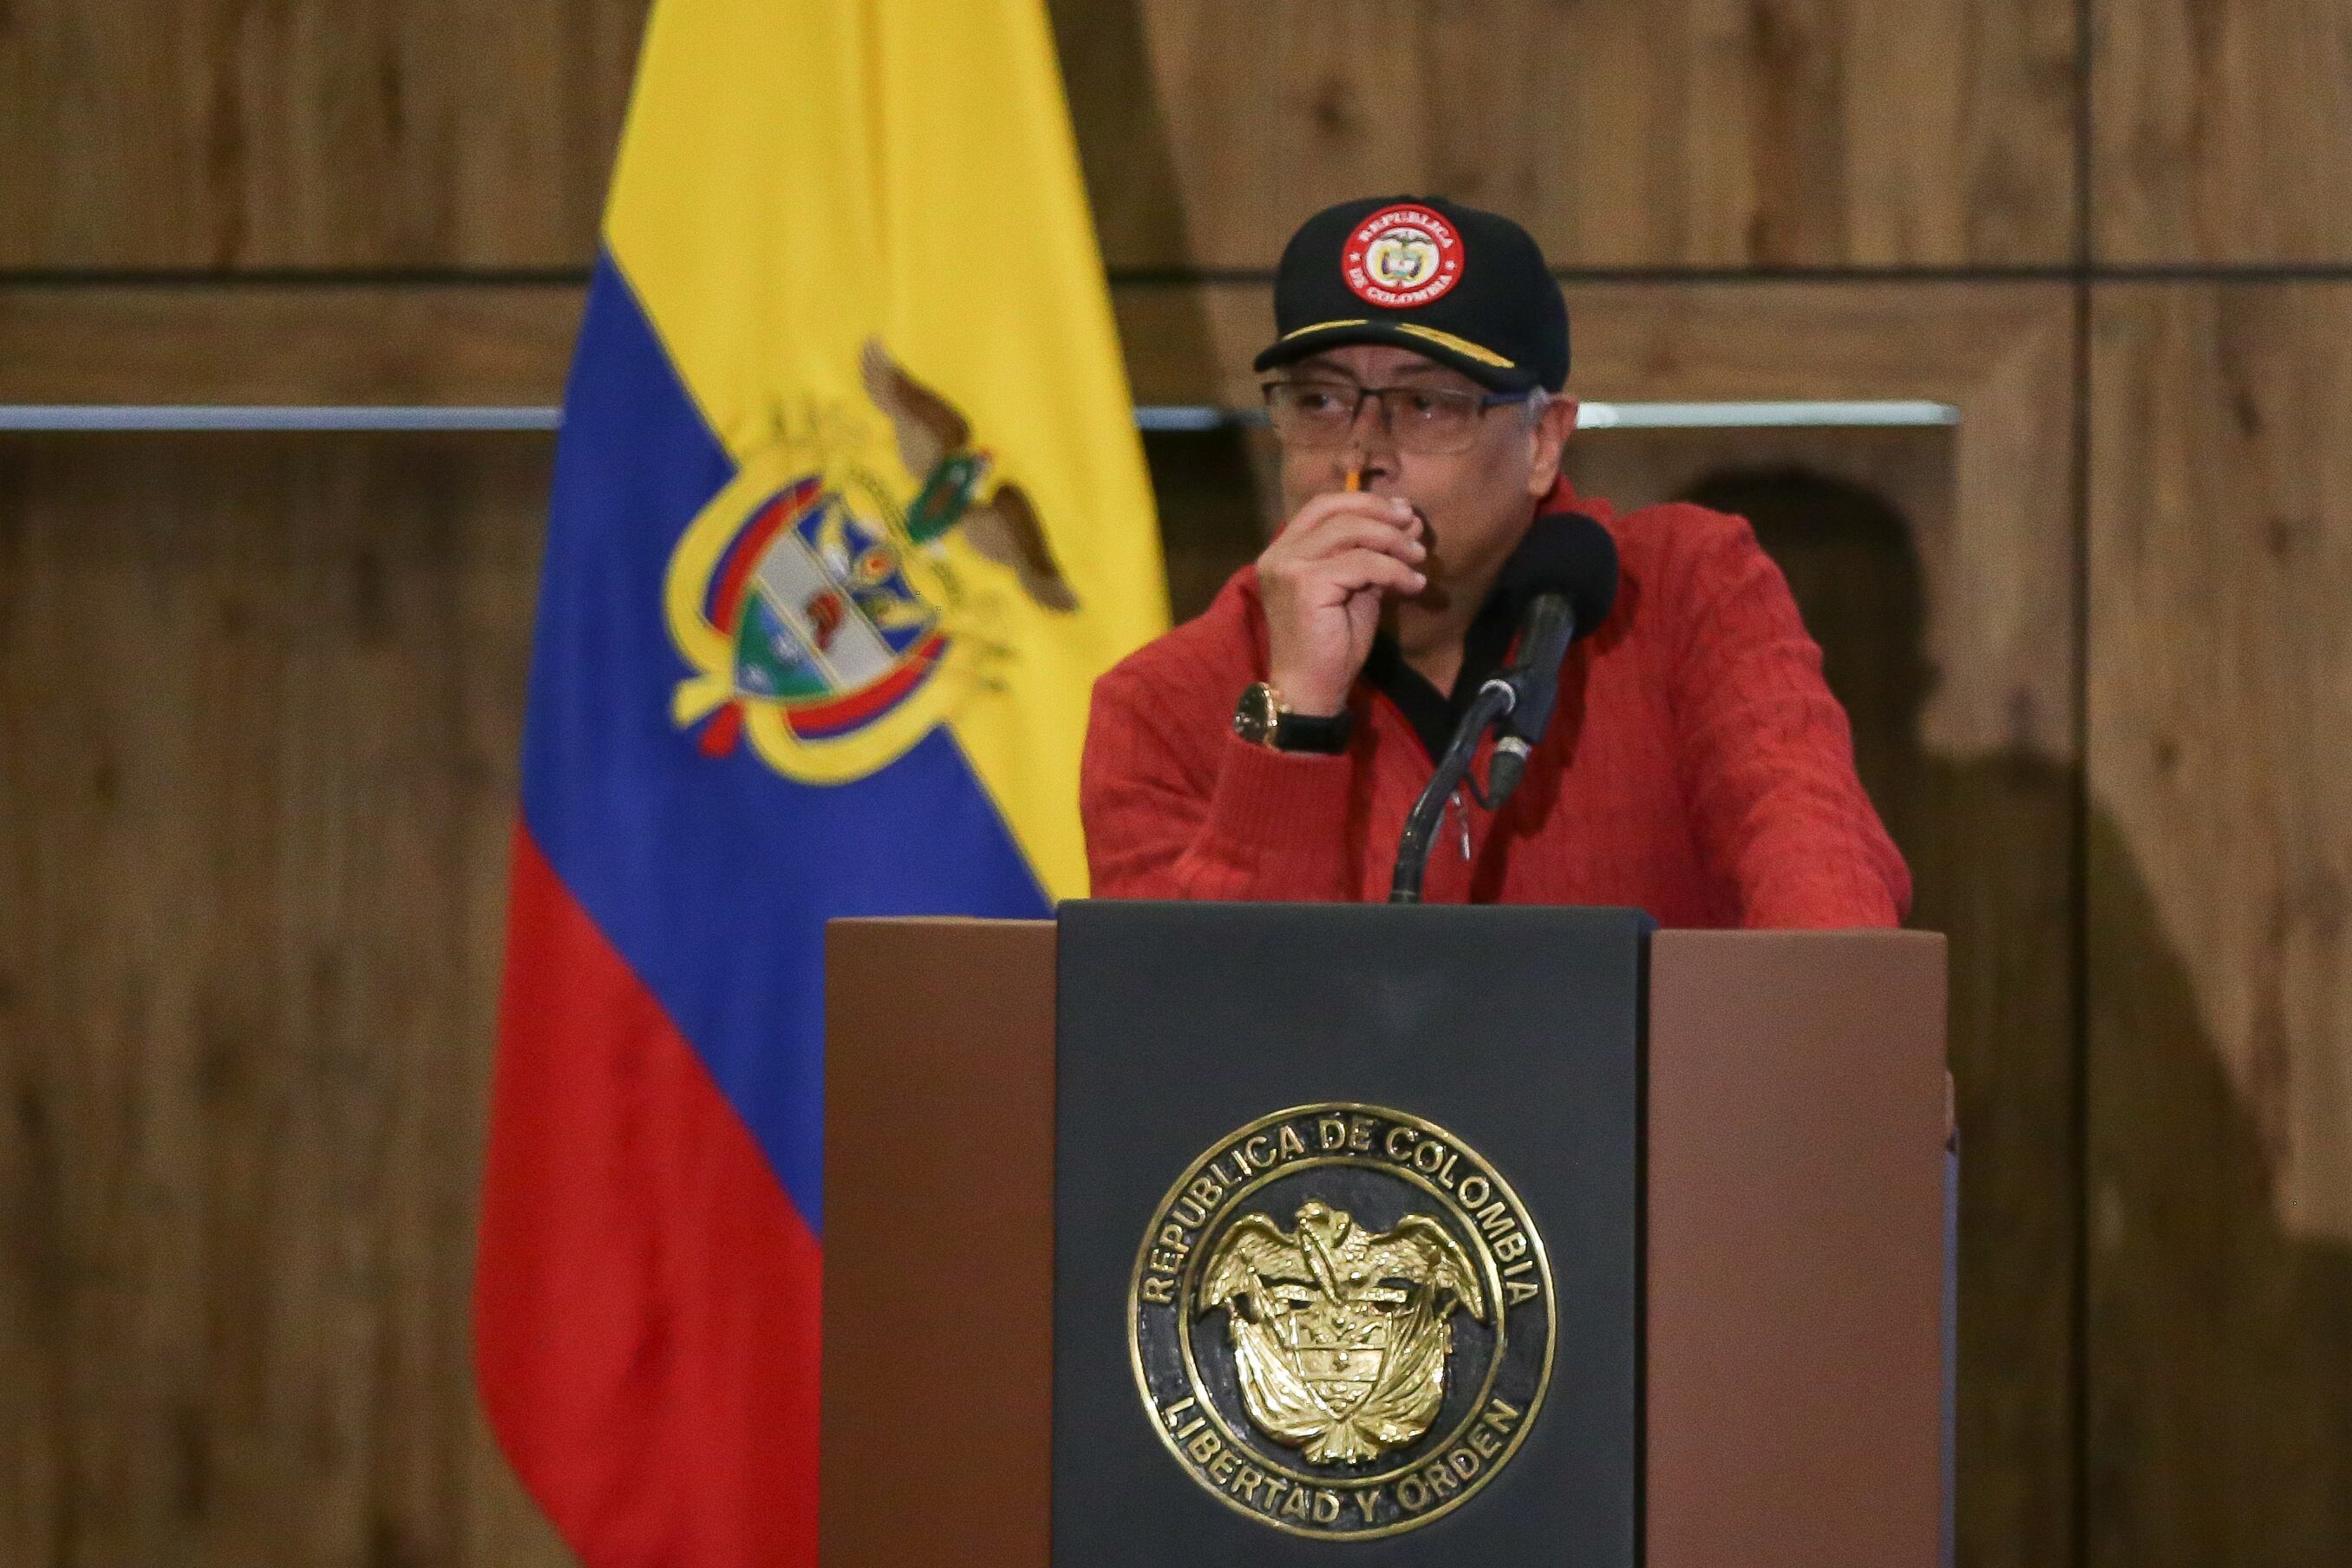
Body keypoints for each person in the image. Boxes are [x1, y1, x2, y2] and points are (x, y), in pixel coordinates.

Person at [1080, 196, 1909, 926]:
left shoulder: (1686, 588)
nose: (1361, 457)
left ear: (1543, 441)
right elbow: (1187, 1044)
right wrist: (1297, 722)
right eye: (1321, 401)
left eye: (1428, 404)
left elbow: (1820, 882)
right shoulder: (1159, 705)